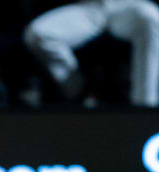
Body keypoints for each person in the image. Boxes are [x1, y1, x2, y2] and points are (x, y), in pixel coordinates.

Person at [23, 0, 159, 107]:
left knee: (151, 19)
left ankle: (144, 107)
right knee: (38, 35)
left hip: (128, 5)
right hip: (89, 7)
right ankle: (79, 93)